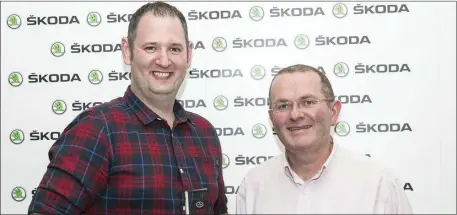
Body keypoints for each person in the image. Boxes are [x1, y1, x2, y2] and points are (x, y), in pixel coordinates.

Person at [28, 2, 228, 215]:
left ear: (188, 54)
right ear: (127, 51)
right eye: (151, 48)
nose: (163, 60)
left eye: (174, 49)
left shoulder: (204, 133)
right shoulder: (97, 129)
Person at [235, 64, 413, 214]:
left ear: (334, 112)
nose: (295, 114)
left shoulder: (378, 183)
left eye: (308, 102)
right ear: (272, 117)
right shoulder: (253, 186)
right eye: (283, 105)